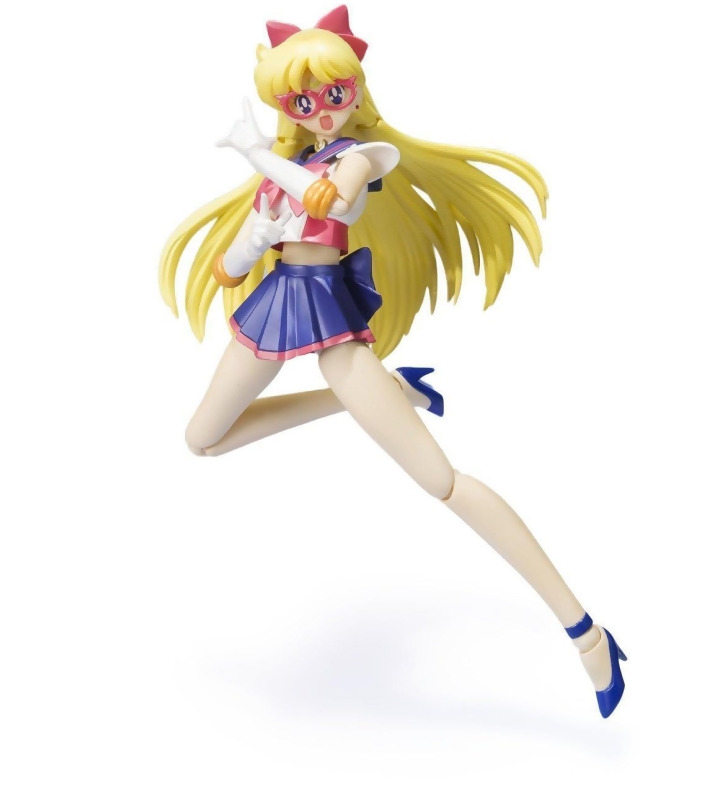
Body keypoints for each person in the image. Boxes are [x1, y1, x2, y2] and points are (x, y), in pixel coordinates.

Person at [159, 5, 626, 717]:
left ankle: (587, 633)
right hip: (276, 303)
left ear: (356, 90)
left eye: (333, 93)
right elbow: (230, 268)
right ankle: (393, 390)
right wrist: (252, 240)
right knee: (204, 439)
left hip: (332, 317)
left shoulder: (360, 157)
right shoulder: (282, 171)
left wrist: (260, 157)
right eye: (303, 102)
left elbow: (330, 203)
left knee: (441, 482)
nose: (321, 111)